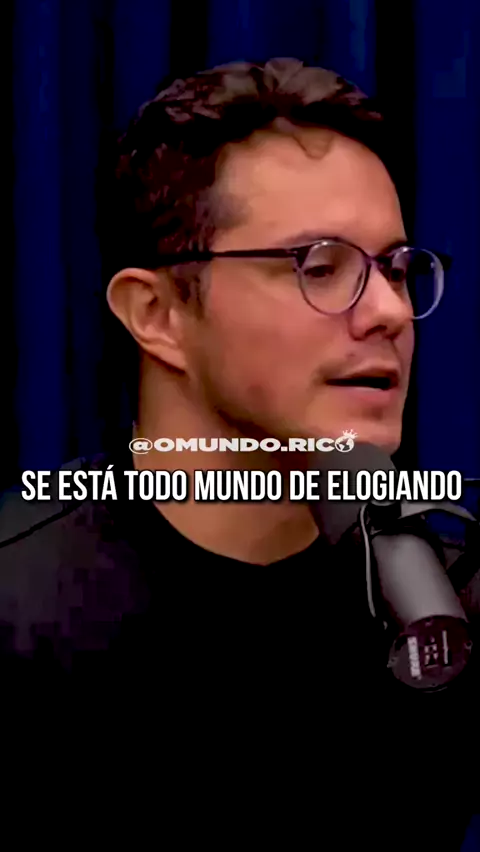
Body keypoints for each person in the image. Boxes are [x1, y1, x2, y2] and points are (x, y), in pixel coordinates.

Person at [0, 58, 478, 848]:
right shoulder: (20, 604)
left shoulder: (449, 605)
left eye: (396, 270)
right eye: (320, 266)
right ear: (155, 314)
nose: (391, 312)